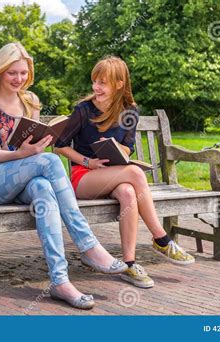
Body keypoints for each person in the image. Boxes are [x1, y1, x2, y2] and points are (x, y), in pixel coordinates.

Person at [0, 43, 127, 309]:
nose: (19, 79)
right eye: (12, 73)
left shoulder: (30, 102)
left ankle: (60, 282)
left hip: (23, 177)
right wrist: (27, 153)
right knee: (49, 160)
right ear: (0, 72)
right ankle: (88, 245)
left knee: (43, 189)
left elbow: (33, 143)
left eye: (23, 73)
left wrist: (37, 146)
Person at [54, 56, 195, 289]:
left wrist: (117, 150)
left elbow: (127, 147)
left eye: (102, 83)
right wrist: (88, 161)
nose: (95, 87)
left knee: (129, 193)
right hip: (84, 178)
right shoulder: (83, 110)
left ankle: (129, 264)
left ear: (119, 84)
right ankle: (161, 238)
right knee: (137, 175)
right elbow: (60, 145)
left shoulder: (129, 111)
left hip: (115, 174)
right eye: (95, 82)